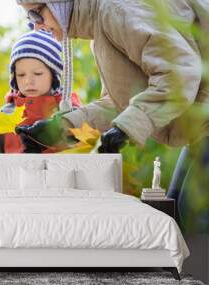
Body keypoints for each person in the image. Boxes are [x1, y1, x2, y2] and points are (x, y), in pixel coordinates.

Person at [14, 0, 209, 232]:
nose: (37, 27)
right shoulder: (102, 27)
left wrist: (127, 127)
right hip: (200, 130)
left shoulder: (117, 10)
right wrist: (60, 127)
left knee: (194, 225)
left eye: (37, 15)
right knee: (177, 220)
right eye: (30, 20)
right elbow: (115, 103)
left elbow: (179, 74)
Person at [0, 29, 81, 153]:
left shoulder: (68, 109)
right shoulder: (5, 115)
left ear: (54, 75)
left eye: (38, 73)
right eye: (21, 75)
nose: (28, 81)